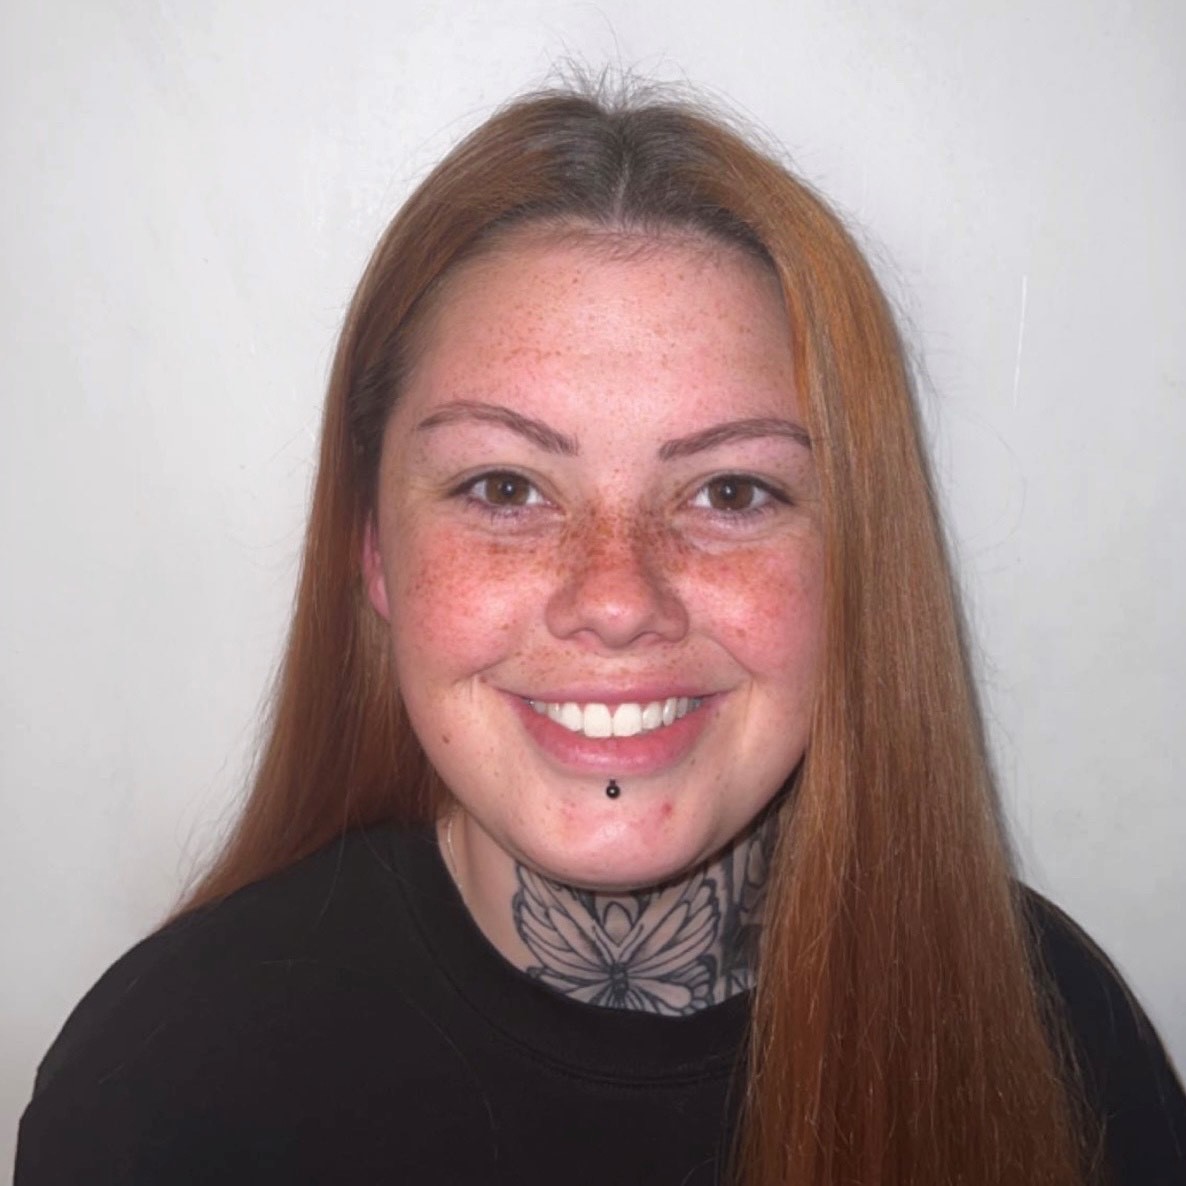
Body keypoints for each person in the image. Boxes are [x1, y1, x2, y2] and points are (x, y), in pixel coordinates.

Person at [16, 84, 1186, 1186]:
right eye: (505, 488)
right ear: (374, 552)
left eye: (730, 493)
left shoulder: (1054, 1045)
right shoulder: (161, 1089)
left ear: (858, 565)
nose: (617, 599)